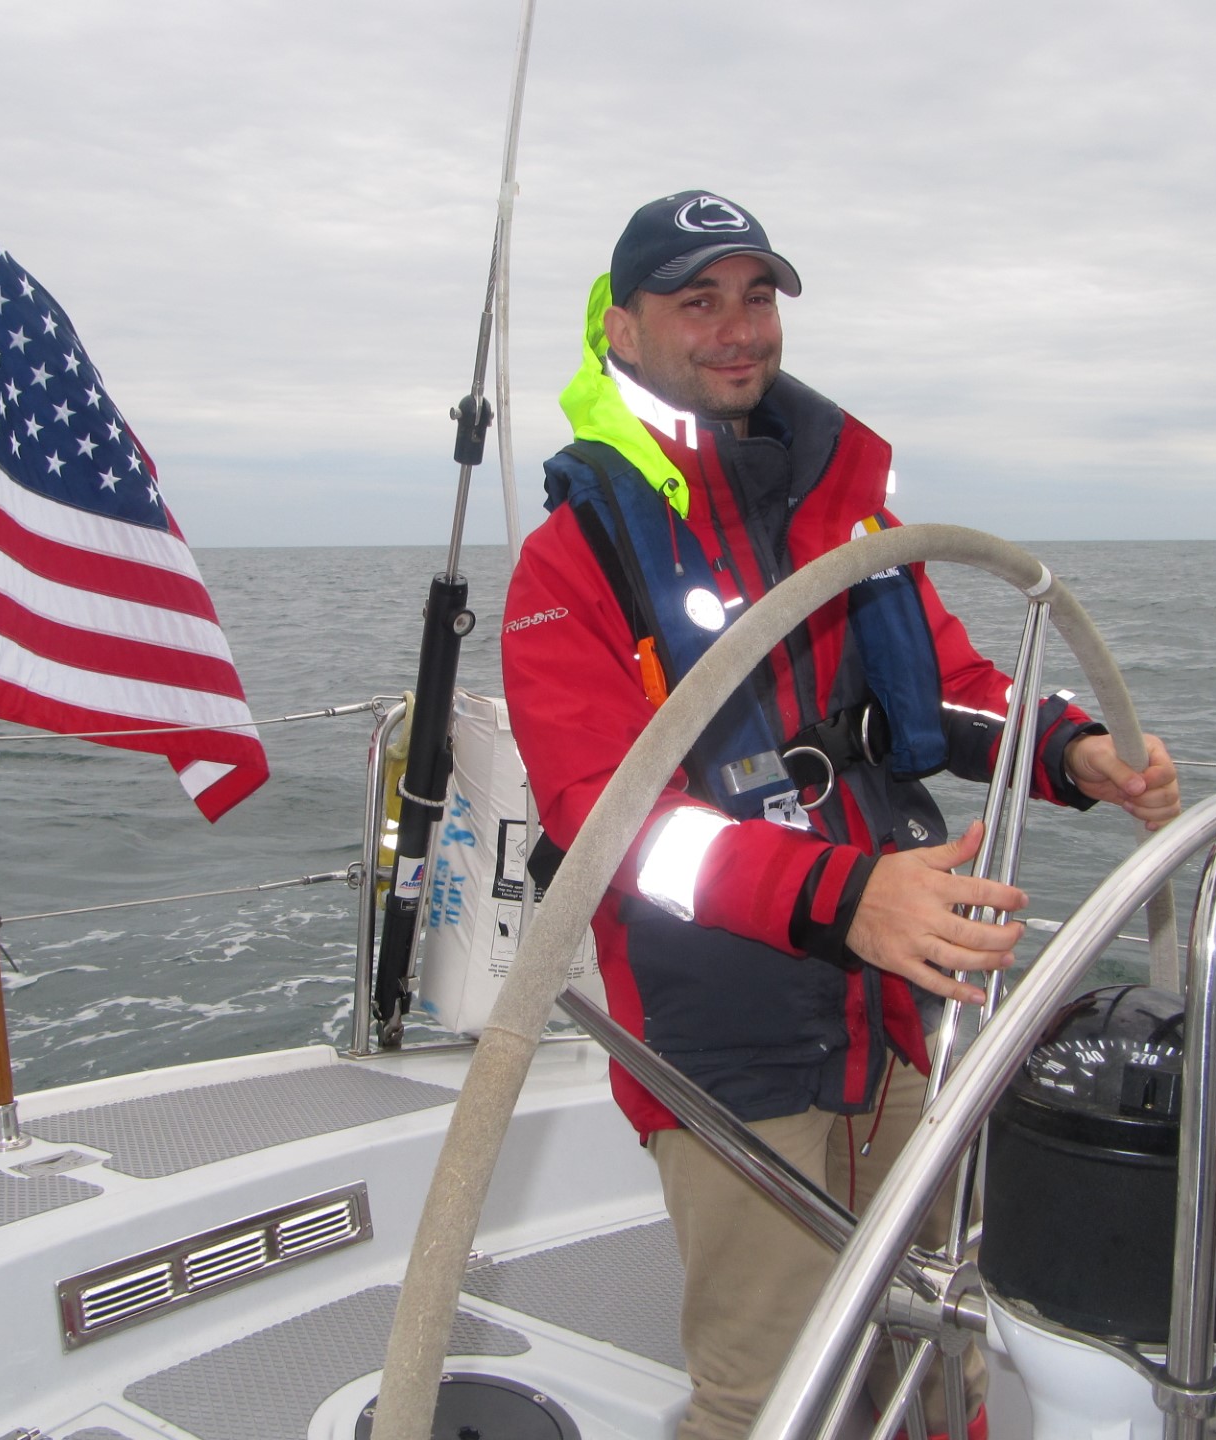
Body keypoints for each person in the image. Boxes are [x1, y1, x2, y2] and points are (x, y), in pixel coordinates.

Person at [500, 190, 1180, 1440]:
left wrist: (1071, 752)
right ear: (626, 332)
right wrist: (846, 898)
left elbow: (948, 691)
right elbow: (610, 826)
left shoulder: (845, 515)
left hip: (898, 1010)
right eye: (695, 299)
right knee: (774, 1396)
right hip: (727, 1045)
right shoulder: (569, 563)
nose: (737, 327)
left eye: (757, 294)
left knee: (934, 1358)